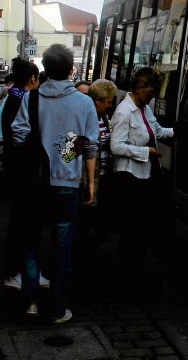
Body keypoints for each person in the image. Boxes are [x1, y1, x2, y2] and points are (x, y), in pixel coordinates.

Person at [11, 43, 99, 323]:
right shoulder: (84, 102)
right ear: (72, 69)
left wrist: (41, 145)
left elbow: (18, 133)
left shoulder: (32, 98)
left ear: (45, 70)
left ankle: (31, 301)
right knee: (62, 248)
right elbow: (90, 145)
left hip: (35, 184)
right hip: (67, 184)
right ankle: (59, 309)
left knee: (30, 243)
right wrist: (89, 181)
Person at [109, 67, 173, 289]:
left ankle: (133, 272)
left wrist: (179, 130)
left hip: (145, 175)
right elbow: (116, 146)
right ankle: (126, 275)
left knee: (142, 228)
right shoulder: (124, 111)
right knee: (132, 229)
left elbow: (157, 131)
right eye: (150, 92)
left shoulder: (145, 109)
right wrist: (146, 152)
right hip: (129, 177)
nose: (152, 97)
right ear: (139, 88)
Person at [1, 58, 50, 291]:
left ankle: (23, 271)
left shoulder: (14, 95)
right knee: (22, 224)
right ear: (33, 79)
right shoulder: (22, 99)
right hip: (22, 171)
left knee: (22, 223)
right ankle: (14, 272)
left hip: (17, 169)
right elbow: (18, 135)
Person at [75, 79, 117, 262]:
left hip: (102, 179)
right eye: (108, 101)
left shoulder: (103, 117)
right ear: (97, 101)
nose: (110, 105)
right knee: (83, 229)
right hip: (86, 183)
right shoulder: (82, 118)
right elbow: (68, 153)